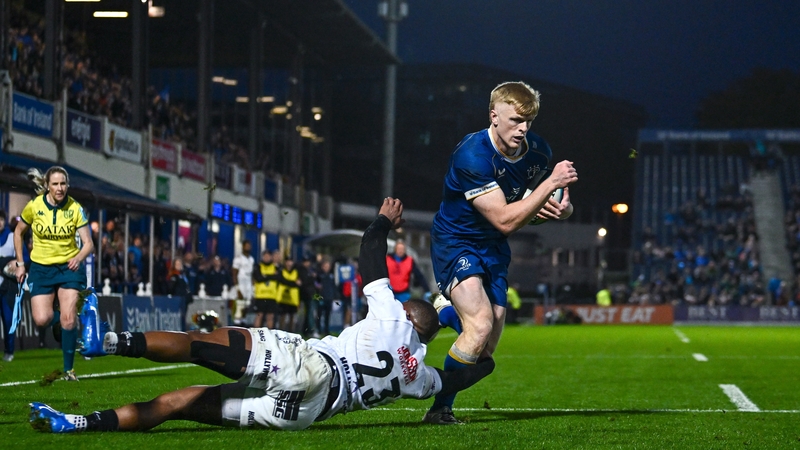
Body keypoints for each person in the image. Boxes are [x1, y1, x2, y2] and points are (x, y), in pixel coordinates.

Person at [30, 197, 495, 433]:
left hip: (308, 365)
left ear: (410, 316)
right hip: (302, 412)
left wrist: (381, 221)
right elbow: (457, 378)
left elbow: (371, 255)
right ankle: (77, 423)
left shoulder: (392, 316)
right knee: (182, 404)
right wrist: (482, 353)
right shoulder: (419, 379)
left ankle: (106, 343)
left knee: (196, 343)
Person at [425, 81, 577, 424]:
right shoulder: (472, 155)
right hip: (457, 241)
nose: (522, 130)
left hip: (493, 246)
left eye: (528, 122)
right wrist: (549, 186)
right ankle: (439, 409)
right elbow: (507, 220)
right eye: (514, 121)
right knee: (478, 326)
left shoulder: (538, 152)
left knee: (485, 351)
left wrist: (561, 211)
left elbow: (532, 211)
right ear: (494, 116)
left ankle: (445, 313)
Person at [14, 166, 95, 381]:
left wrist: (78, 257)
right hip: (41, 268)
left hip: (68, 269)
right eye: (55, 184)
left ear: (67, 185)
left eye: (63, 184)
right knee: (42, 319)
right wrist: (21, 264)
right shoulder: (34, 206)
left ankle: (69, 370)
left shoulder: (75, 209)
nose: (60, 188)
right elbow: (18, 231)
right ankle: (62, 320)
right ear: (47, 186)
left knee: (69, 320)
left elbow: (88, 244)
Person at [0, 210, 18, 361]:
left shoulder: (13, 237)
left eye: (1, 219)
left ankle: (9, 350)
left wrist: (14, 262)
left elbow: (24, 257)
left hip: (8, 286)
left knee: (7, 319)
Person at [251, 250, 280, 328]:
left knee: (270, 317)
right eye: (265, 256)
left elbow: (278, 277)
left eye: (268, 256)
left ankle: (269, 337)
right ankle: (256, 335)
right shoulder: (258, 266)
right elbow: (258, 278)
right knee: (259, 315)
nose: (266, 258)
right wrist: (271, 276)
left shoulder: (275, 267)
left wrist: (265, 276)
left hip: (272, 296)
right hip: (260, 295)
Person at [276, 257, 301, 332]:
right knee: (282, 317)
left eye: (290, 261)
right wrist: (294, 283)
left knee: (292, 317)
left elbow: (300, 283)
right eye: (287, 261)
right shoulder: (281, 271)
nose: (289, 263)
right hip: (283, 298)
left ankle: (291, 334)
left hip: (293, 299)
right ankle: (281, 333)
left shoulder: (296, 272)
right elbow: (282, 280)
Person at [231, 240, 255, 320]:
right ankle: (237, 324)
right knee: (239, 306)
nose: (248, 247)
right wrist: (237, 289)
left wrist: (253, 287)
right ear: (243, 247)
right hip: (241, 284)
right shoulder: (238, 259)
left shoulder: (251, 259)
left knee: (247, 306)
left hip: (248, 285)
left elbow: (252, 275)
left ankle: (243, 323)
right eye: (246, 246)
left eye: (249, 246)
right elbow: (234, 274)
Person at [315, 259, 337, 336]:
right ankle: (318, 330)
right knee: (319, 315)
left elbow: (333, 286)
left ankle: (326, 330)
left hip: (329, 298)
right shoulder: (319, 275)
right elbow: (316, 285)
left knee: (328, 315)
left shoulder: (331, 275)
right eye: (325, 266)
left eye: (328, 266)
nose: (327, 268)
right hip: (321, 297)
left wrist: (334, 296)